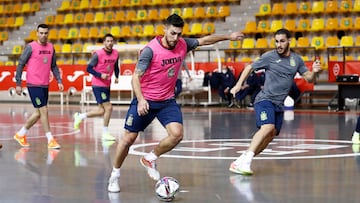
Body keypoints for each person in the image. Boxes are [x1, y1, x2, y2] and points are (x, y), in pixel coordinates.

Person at [107, 13, 244, 193]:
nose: (176, 38)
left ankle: (150, 158)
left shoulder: (182, 44)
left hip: (167, 101)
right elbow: (135, 78)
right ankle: (114, 176)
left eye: (179, 34)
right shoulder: (150, 50)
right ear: (164, 29)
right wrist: (140, 100)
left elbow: (204, 41)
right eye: (172, 33)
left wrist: (228, 36)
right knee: (127, 140)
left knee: (177, 134)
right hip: (146, 100)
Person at [228, 28, 321, 175]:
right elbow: (249, 68)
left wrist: (315, 71)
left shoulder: (296, 60)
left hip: (279, 104)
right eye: (276, 41)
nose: (279, 44)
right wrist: (238, 85)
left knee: (270, 136)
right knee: (267, 127)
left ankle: (240, 161)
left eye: (282, 41)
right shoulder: (269, 57)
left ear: (289, 41)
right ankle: (246, 162)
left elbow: (309, 78)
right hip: (264, 99)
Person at [13, 23, 63, 149]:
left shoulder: (51, 47)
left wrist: (59, 80)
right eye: (41, 33)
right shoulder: (30, 47)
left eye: (45, 33)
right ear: (37, 33)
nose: (43, 35)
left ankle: (20, 134)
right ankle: (50, 140)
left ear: (48, 34)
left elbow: (54, 66)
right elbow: (20, 64)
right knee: (44, 110)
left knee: (38, 113)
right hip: (33, 84)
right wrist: (18, 83)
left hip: (45, 84)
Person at [73, 33, 120, 141]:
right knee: (109, 108)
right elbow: (88, 68)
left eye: (111, 41)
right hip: (98, 84)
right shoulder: (98, 54)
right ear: (104, 43)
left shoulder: (116, 53)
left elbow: (116, 66)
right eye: (107, 41)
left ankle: (80, 116)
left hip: (107, 84)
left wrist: (117, 76)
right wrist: (100, 75)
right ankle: (105, 133)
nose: (110, 43)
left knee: (101, 110)